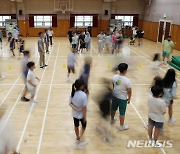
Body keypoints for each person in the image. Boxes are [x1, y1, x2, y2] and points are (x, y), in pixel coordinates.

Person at [111, 63, 132, 131]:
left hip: (114, 95)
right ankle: (121, 125)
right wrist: (129, 98)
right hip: (122, 98)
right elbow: (129, 91)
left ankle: (112, 119)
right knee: (122, 112)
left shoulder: (114, 77)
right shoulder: (127, 80)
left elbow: (113, 85)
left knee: (113, 108)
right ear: (126, 70)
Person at [69, 79, 88, 147]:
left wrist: (75, 109)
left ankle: (77, 138)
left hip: (74, 114)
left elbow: (70, 103)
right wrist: (85, 117)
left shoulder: (72, 93)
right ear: (81, 86)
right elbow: (84, 108)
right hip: (82, 115)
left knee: (76, 125)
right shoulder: (84, 95)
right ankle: (80, 137)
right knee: (84, 126)